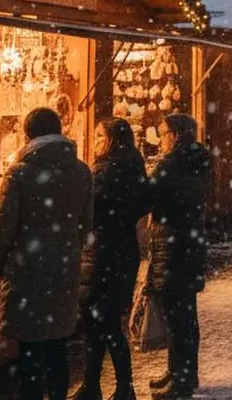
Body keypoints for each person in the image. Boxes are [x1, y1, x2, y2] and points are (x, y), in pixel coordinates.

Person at [0, 108, 93, 400]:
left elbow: (4, 227)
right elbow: (86, 226)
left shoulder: (19, 173)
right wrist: (69, 250)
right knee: (58, 346)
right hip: (64, 269)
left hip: (26, 271)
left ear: (27, 134)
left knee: (29, 350)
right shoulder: (81, 171)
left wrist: (2, 263)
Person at [75, 118, 149, 400]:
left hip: (102, 252)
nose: (94, 142)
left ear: (111, 140)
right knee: (103, 321)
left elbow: (89, 209)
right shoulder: (134, 167)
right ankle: (96, 385)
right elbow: (142, 204)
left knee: (101, 323)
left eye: (98, 136)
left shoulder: (103, 172)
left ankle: (121, 387)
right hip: (122, 250)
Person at [147, 114, 213, 400]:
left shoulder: (171, 165)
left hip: (173, 246)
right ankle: (181, 371)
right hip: (190, 244)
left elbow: (152, 197)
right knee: (185, 313)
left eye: (163, 134)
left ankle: (181, 379)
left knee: (178, 315)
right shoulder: (199, 161)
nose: (161, 140)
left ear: (175, 135)